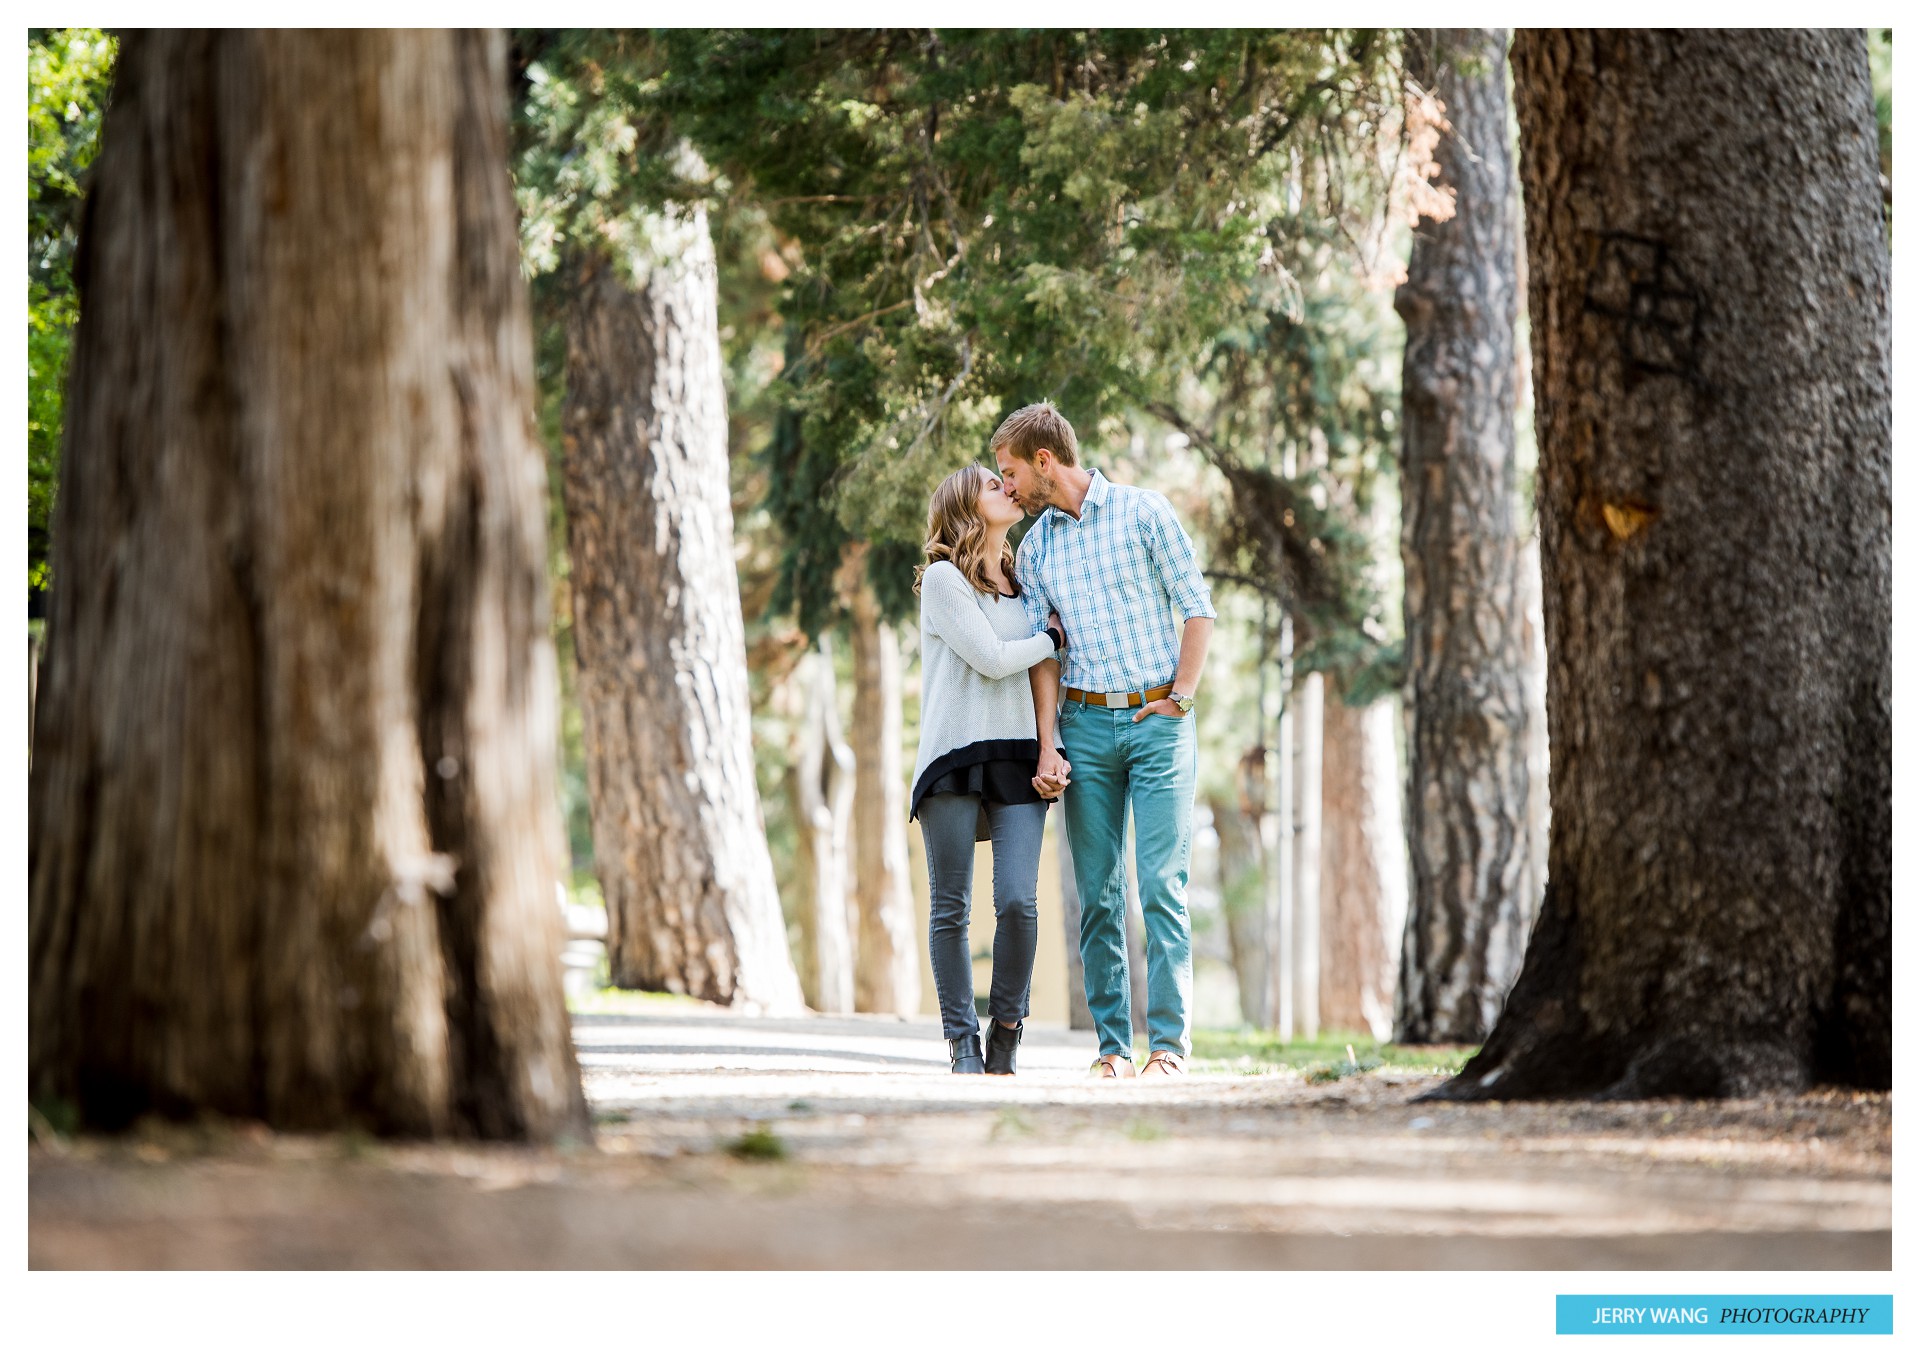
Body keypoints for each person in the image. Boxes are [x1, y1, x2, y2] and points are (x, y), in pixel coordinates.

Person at [995, 402, 1215, 1080]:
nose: (1005, 488)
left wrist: (1179, 696)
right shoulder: (1036, 549)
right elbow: (1044, 655)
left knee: (1160, 884)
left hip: (1158, 723)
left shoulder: (1144, 512)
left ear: (1044, 461)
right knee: (1098, 893)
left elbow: (1197, 606)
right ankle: (1113, 1047)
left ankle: (1169, 1045)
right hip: (1085, 726)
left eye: (1009, 473)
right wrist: (1048, 742)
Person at [910, 465, 1070, 1075]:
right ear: (964, 508)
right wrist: (1051, 638)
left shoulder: (1026, 580)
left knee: (1018, 902)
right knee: (951, 907)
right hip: (952, 755)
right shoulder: (946, 580)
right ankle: (960, 1043)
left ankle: (1006, 1030)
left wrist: (1050, 744)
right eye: (990, 483)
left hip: (1017, 755)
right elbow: (994, 659)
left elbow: (1037, 675)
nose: (1007, 486)